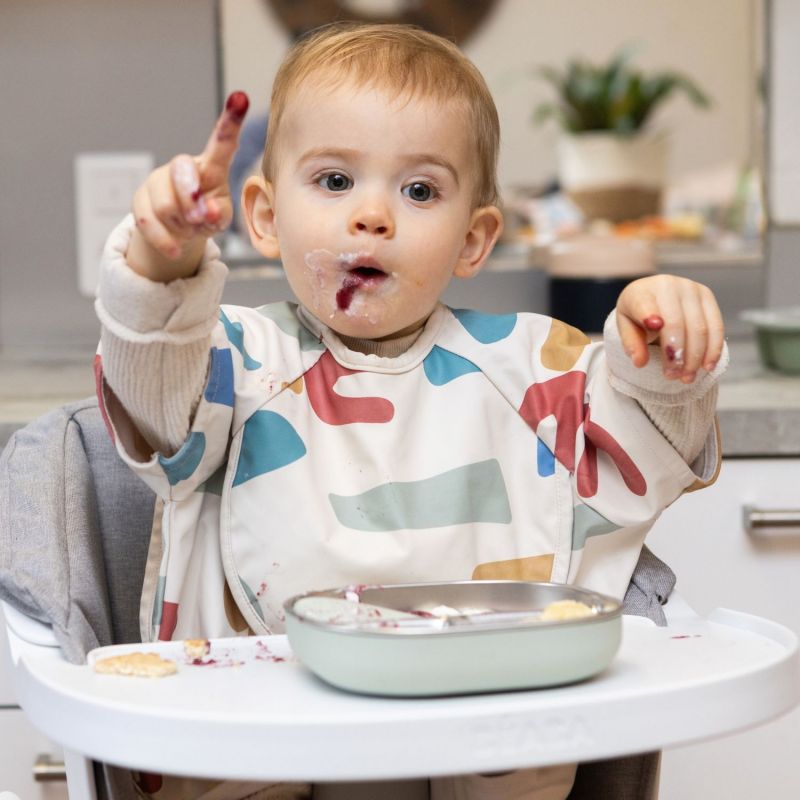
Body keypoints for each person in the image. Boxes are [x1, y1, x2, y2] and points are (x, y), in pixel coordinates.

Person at [94, 22, 727, 800]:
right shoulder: (232, 360)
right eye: (333, 181)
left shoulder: (532, 371)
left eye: (420, 190)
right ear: (262, 215)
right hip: (262, 748)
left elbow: (649, 453)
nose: (373, 216)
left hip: (484, 741)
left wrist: (661, 358)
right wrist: (162, 265)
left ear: (474, 237)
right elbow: (151, 385)